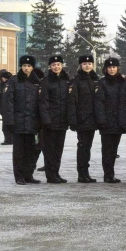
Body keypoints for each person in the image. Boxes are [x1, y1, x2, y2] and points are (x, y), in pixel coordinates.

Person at [4, 55, 50, 185]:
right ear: (21, 66)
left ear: (33, 67)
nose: (26, 68)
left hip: (33, 123)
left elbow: (42, 102)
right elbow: (8, 103)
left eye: (29, 66)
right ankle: (19, 176)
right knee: (19, 152)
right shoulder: (13, 81)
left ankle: (28, 175)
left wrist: (41, 121)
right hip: (18, 123)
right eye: (24, 66)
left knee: (32, 151)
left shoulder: (37, 82)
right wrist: (10, 121)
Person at [68, 55, 99, 183]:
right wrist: (73, 120)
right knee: (82, 147)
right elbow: (72, 102)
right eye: (85, 63)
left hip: (92, 120)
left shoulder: (95, 80)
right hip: (82, 119)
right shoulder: (76, 81)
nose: (87, 66)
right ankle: (81, 174)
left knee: (87, 147)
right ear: (80, 65)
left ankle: (86, 173)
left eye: (89, 63)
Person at [95, 57, 126, 183]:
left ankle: (111, 173)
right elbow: (99, 103)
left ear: (117, 68)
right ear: (105, 69)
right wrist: (101, 120)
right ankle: (107, 174)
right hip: (107, 122)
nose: (112, 69)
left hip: (118, 121)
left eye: (114, 67)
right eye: (109, 67)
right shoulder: (102, 83)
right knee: (107, 149)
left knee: (114, 150)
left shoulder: (123, 82)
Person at [41, 55, 70, 183]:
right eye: (53, 65)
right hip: (50, 122)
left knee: (58, 149)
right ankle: (50, 175)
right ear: (50, 67)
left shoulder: (65, 81)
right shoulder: (46, 81)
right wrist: (46, 119)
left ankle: (56, 173)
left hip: (62, 121)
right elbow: (44, 102)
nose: (56, 67)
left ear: (62, 65)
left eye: (58, 64)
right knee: (49, 150)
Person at [0, 69, 13, 145]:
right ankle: (8, 139)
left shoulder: (11, 85)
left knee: (10, 124)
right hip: (3, 109)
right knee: (5, 125)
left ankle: (10, 139)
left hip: (10, 108)